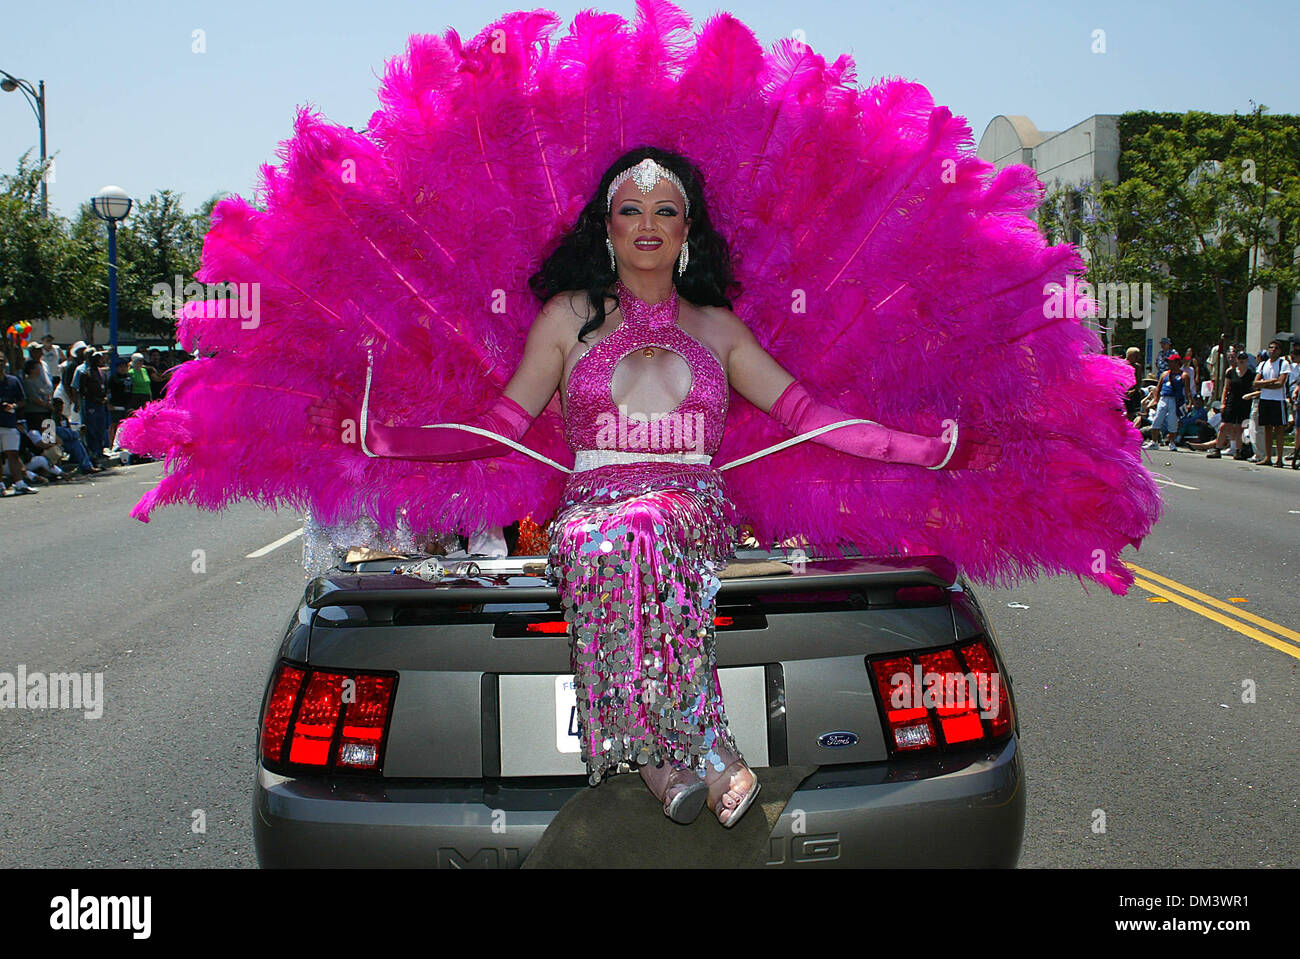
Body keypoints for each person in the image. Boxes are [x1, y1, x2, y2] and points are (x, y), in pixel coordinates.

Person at [1254, 338, 1292, 467]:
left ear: (1280, 351)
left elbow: (1280, 383)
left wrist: (1264, 384)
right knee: (1267, 428)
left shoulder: (1283, 363)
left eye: (1276, 348)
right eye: (1271, 347)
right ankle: (1268, 457)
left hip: (1278, 400)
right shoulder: (1263, 364)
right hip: (1265, 399)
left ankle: (1279, 458)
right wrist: (1269, 382)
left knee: (1279, 429)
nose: (1273, 350)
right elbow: (1255, 383)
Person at [1142, 352, 1189, 450]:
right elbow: (1158, 388)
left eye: (1171, 362)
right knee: (1157, 419)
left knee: (1173, 421)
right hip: (1164, 398)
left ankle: (1172, 442)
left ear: (1177, 362)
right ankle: (1154, 442)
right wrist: (1156, 400)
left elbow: (1187, 391)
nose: (1169, 364)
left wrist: (1189, 402)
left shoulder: (1184, 375)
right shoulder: (1165, 374)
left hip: (1175, 400)